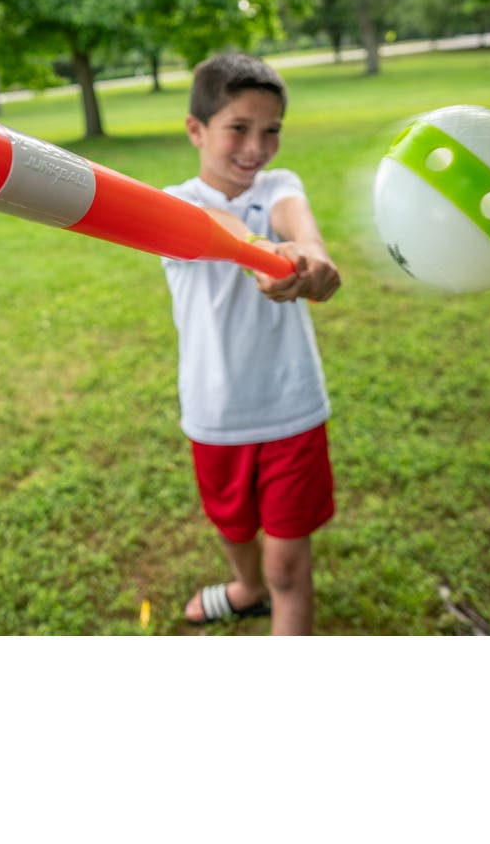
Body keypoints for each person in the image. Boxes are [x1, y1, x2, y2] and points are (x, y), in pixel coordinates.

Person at [161, 51, 341, 635]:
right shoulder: (176, 203)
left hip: (291, 408)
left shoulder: (279, 185)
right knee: (233, 527)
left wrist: (312, 258)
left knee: (290, 567)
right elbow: (225, 233)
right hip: (216, 413)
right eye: (238, 128)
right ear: (196, 129)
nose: (256, 148)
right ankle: (246, 588)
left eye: (271, 132)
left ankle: (272, 589)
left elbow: (299, 222)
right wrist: (263, 254)